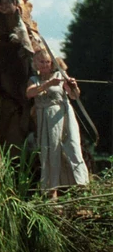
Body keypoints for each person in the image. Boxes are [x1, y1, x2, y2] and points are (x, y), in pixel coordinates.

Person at [25, 48, 90, 198]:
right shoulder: (34, 80)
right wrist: (48, 84)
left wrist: (72, 86)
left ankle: (81, 190)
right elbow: (29, 93)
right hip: (46, 119)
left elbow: (74, 96)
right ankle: (51, 194)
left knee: (72, 147)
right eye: (41, 61)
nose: (45, 64)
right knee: (50, 152)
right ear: (35, 63)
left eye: (48, 61)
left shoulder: (60, 75)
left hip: (64, 116)